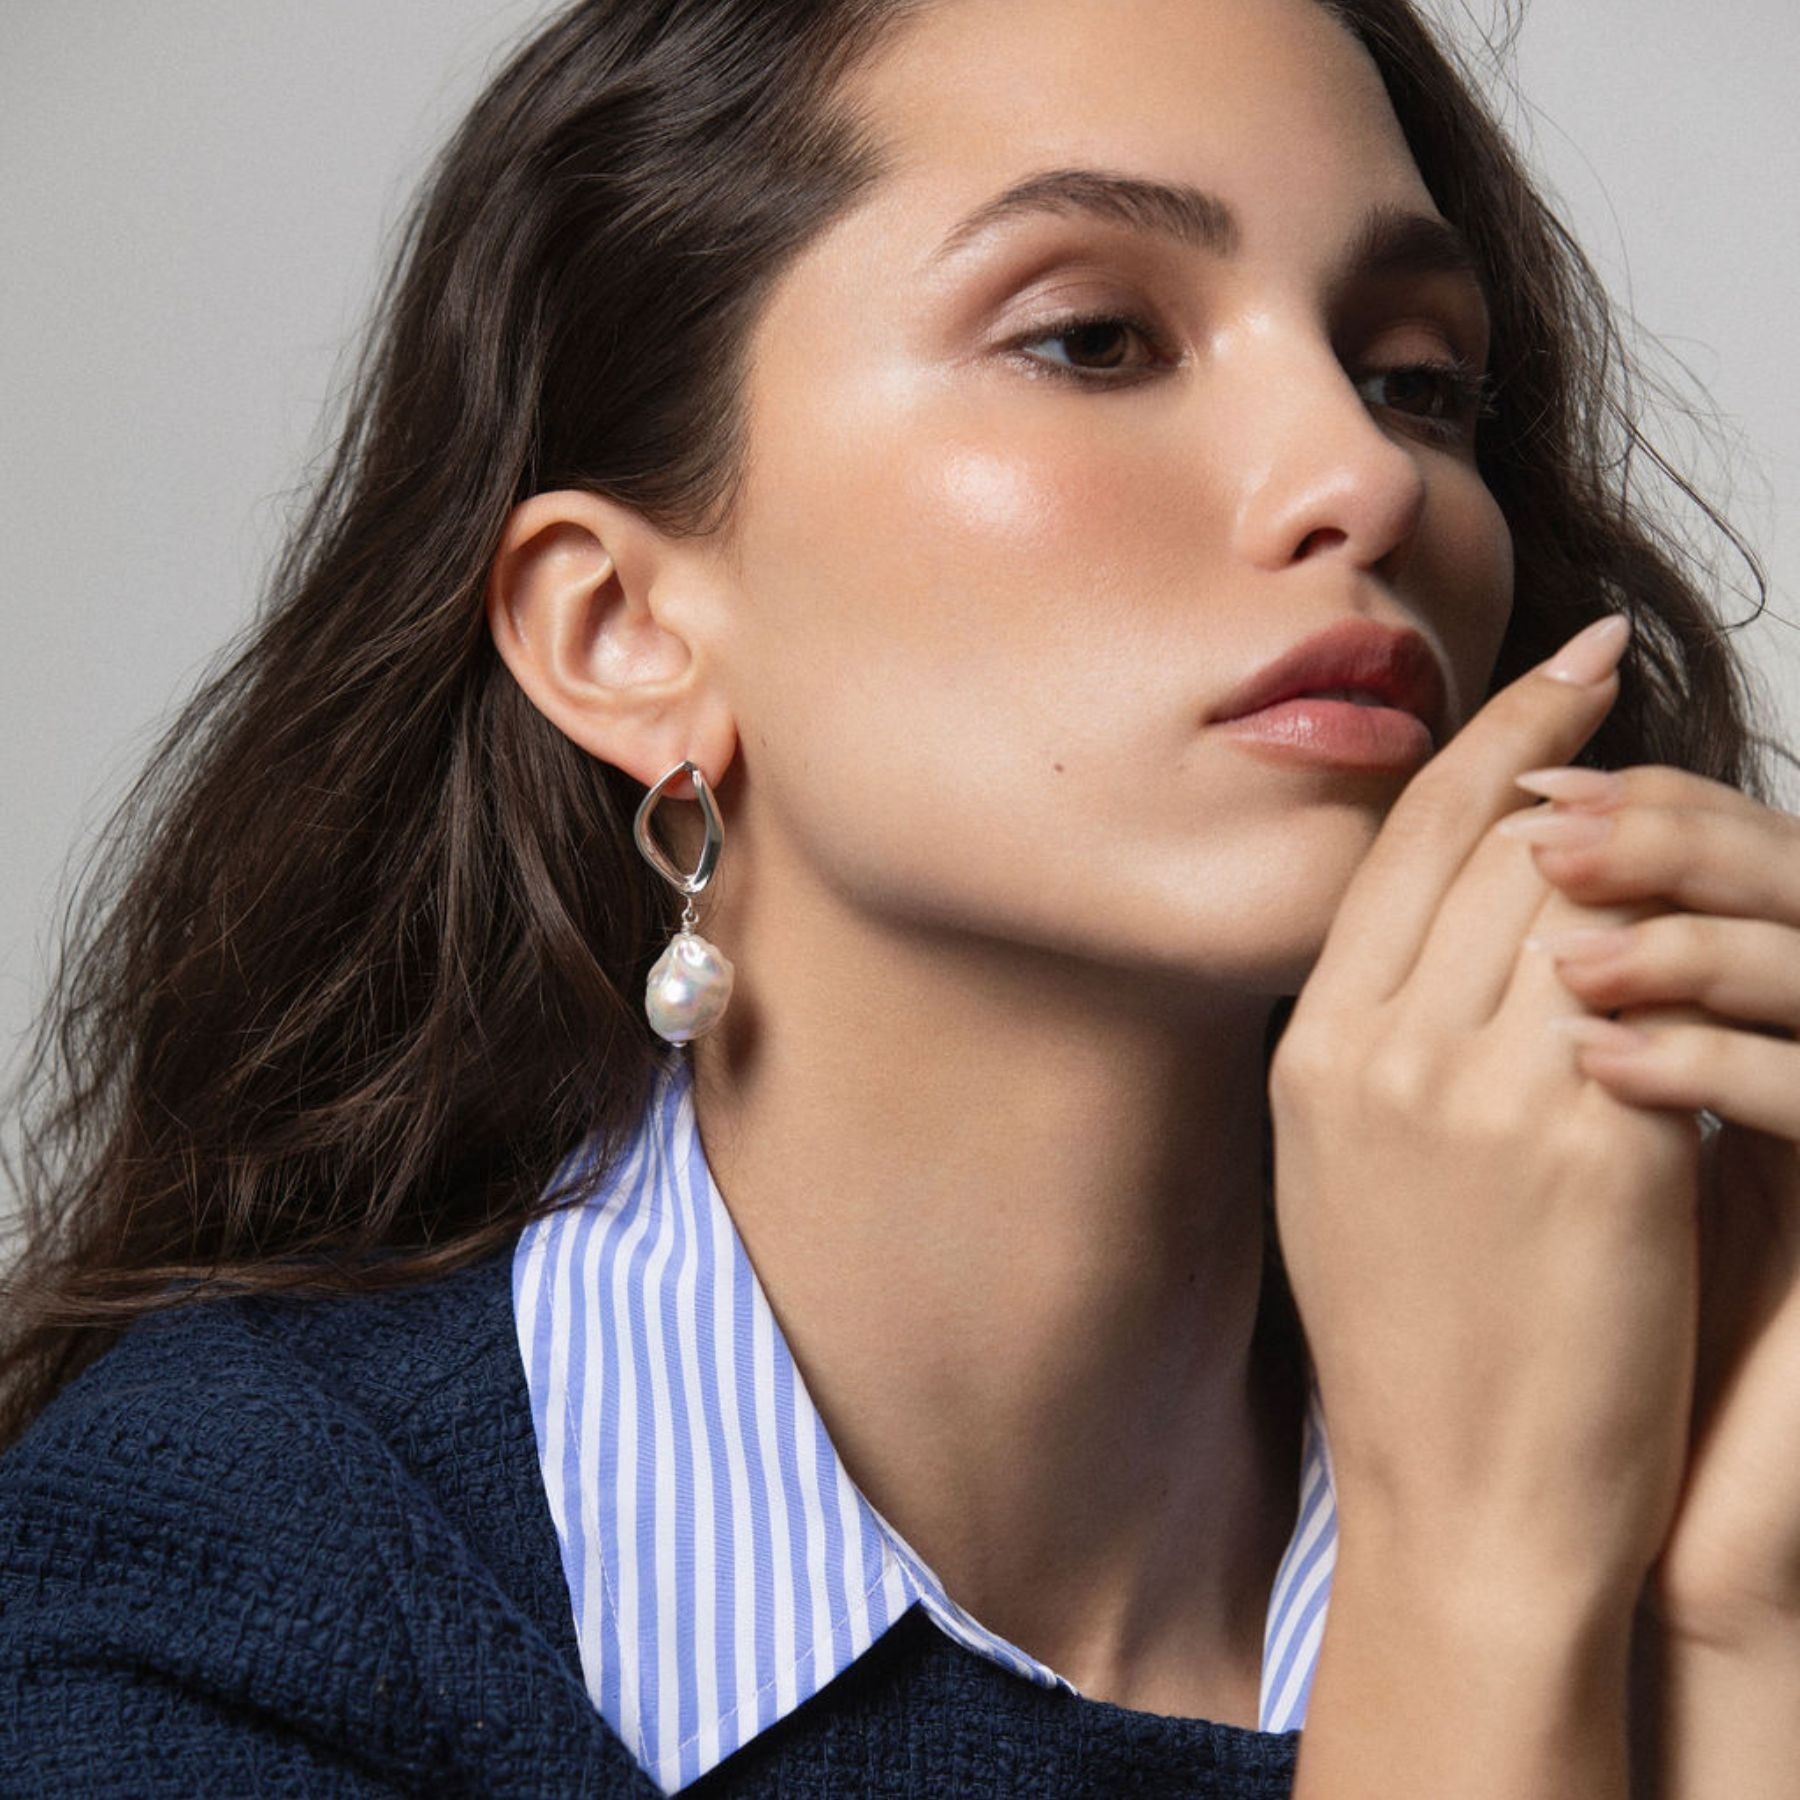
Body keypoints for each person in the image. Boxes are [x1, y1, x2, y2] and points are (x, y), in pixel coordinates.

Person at [2, 0, 1796, 1793]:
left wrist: (1730, 1624)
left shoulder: (1689, 1470)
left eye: (1416, 378)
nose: (1363, 476)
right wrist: (1473, 1578)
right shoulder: (222, 1582)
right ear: (620, 632)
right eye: (1095, 339)